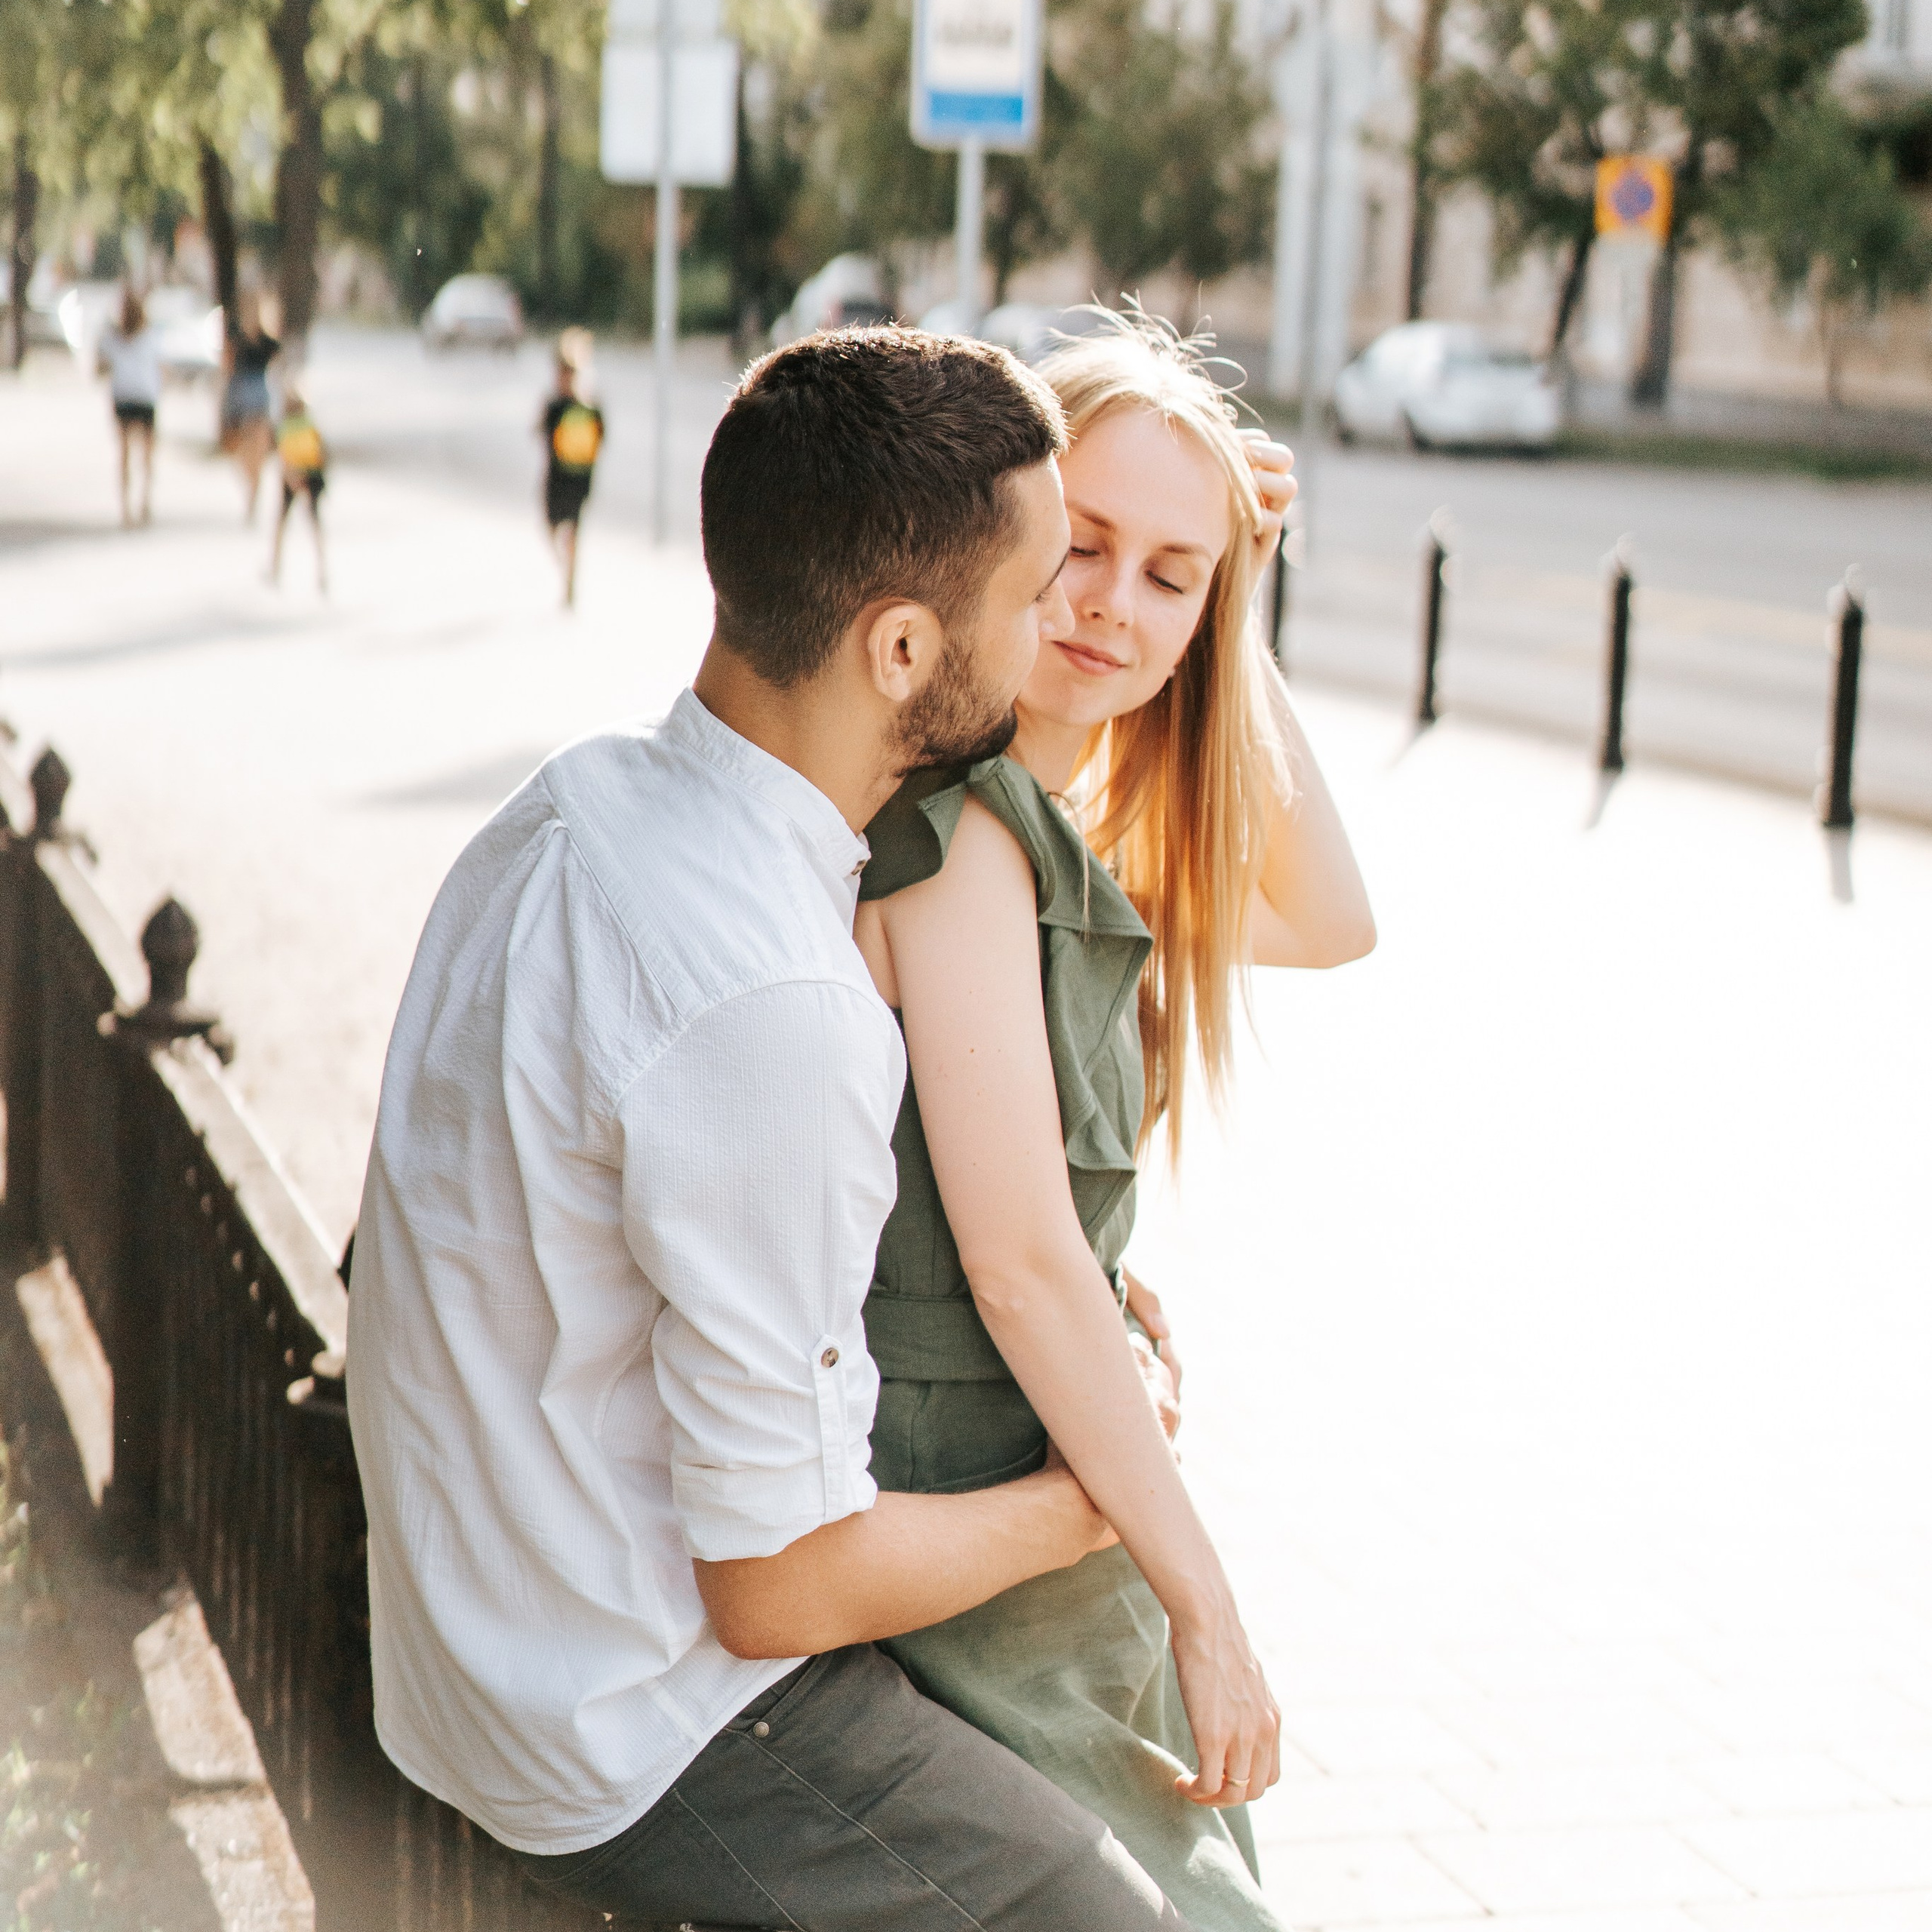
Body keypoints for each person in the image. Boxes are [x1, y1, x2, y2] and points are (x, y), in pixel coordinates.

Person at [346, 327, 1198, 1929]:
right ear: (901, 649)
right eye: (1034, 594)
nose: (1060, 631)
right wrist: (1093, 1502)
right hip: (631, 1727)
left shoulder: (565, 806)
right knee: (1119, 1915)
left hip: (470, 1642)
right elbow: (778, 1586)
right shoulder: (773, 1003)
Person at [852, 313, 1376, 1931]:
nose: (1110, 604)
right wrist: (1206, 1603)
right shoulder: (957, 827)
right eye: (1080, 543)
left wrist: (1236, 605)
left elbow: (1332, 918)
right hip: (962, 1542)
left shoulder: (1058, 827)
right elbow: (1014, 1265)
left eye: (1167, 575)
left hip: (1058, 1510)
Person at [540, 328, 603, 607]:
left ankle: (569, 581)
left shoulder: (561, 406)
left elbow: (542, 434)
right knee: (563, 529)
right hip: (572, 477)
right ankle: (568, 575)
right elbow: (602, 438)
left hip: (567, 478)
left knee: (565, 530)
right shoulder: (586, 406)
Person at [97, 286, 162, 528]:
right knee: (145, 454)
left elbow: (99, 369)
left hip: (126, 396)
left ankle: (129, 507)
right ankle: (142, 501)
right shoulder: (150, 335)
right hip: (144, 397)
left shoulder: (113, 337)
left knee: (126, 454)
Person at [220, 290, 279, 520]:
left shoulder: (268, 338)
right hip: (239, 393)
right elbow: (227, 365)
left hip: (260, 394)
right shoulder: (235, 334)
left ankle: (254, 494)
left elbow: (279, 365)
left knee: (259, 447)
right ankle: (250, 486)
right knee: (239, 450)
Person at [269, 389, 327, 592]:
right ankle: (322, 570)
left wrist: (292, 478)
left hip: (293, 474)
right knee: (315, 525)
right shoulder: (310, 425)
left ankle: (275, 568)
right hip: (312, 474)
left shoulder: (285, 427)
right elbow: (320, 453)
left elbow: (284, 456)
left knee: (281, 524)